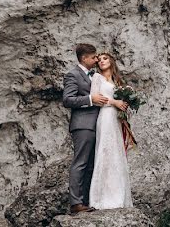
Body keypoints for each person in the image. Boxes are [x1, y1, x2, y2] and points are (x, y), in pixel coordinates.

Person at [62, 43, 110, 213]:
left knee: (90, 164)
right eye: (93, 57)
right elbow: (67, 100)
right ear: (84, 58)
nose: (96, 59)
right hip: (82, 124)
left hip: (96, 124)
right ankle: (76, 203)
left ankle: (86, 200)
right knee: (80, 163)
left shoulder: (94, 75)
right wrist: (90, 99)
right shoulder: (72, 75)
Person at [88, 52, 133, 209]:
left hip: (116, 119)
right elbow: (95, 98)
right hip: (106, 117)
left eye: (105, 58)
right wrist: (115, 102)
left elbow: (122, 102)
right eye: (99, 60)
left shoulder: (117, 81)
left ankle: (119, 195)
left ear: (111, 61)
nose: (101, 62)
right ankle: (100, 198)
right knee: (105, 152)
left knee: (117, 154)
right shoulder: (97, 78)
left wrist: (124, 107)